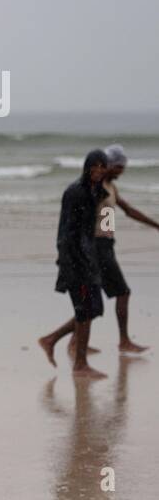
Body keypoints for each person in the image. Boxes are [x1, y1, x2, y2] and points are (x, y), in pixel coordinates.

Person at [38, 149, 111, 380]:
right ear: (87, 166)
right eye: (95, 165)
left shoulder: (96, 192)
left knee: (95, 308)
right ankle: (80, 364)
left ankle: (50, 340)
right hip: (75, 262)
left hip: (88, 259)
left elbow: (96, 229)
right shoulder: (75, 192)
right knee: (84, 310)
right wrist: (67, 260)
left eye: (102, 166)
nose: (98, 170)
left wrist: (97, 254)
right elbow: (66, 231)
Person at [92, 144, 156, 353]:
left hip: (106, 243)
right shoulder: (95, 186)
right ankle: (124, 341)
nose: (122, 171)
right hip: (97, 245)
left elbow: (128, 210)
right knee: (122, 292)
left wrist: (156, 225)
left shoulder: (111, 188)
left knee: (93, 295)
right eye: (119, 167)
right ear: (110, 165)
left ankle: (75, 341)